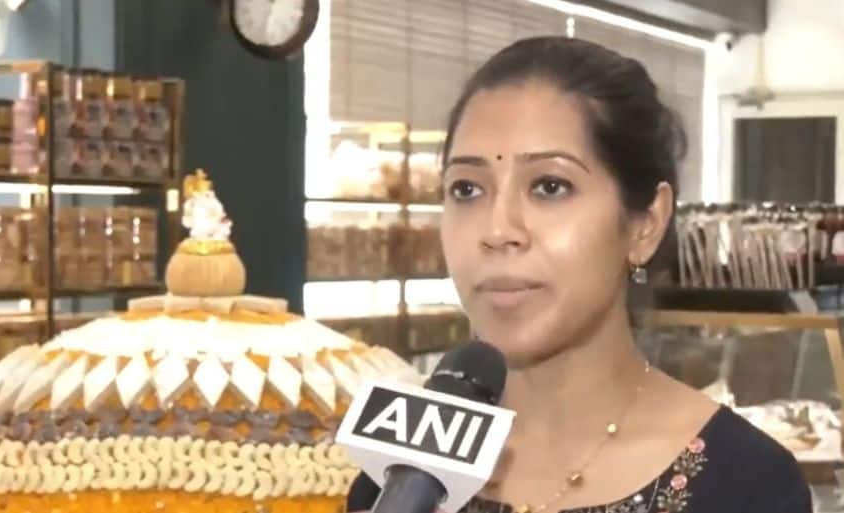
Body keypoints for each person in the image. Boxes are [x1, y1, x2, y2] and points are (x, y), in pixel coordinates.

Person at [347, 37, 811, 513]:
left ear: (646, 224)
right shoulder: (400, 480)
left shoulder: (747, 486)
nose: (498, 230)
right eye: (466, 189)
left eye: (550, 186)